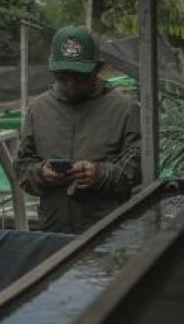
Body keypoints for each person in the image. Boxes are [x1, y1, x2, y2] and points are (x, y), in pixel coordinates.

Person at [16, 25, 141, 234]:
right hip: (54, 233)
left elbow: (139, 166)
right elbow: (21, 167)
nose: (72, 84)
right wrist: (42, 173)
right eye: (63, 77)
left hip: (108, 234)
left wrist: (101, 174)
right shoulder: (38, 109)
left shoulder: (125, 109)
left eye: (80, 76)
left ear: (98, 68)